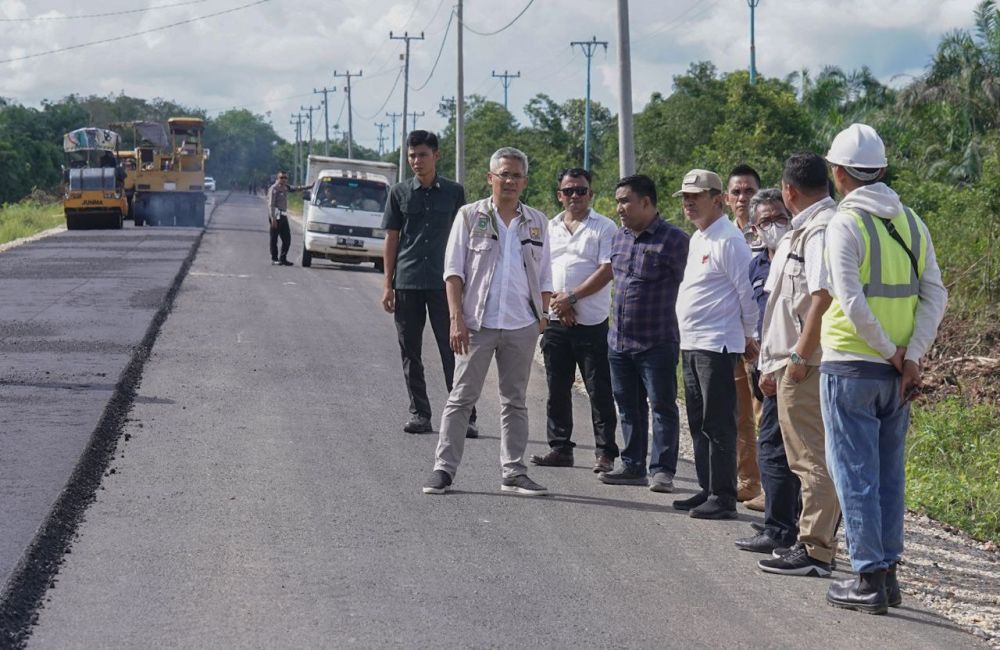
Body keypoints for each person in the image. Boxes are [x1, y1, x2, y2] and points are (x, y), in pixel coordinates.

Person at [820, 124, 946, 613]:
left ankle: (867, 578)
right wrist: (910, 355)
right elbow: (936, 293)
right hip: (896, 376)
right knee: (889, 475)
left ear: (838, 174)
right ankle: (888, 575)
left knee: (854, 474)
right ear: (882, 170)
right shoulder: (912, 222)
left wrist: (894, 352)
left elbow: (849, 299)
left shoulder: (844, 223)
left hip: (852, 366)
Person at [422, 147, 552, 497]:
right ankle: (443, 470)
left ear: (524, 181)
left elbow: (546, 275)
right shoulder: (469, 215)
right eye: (503, 174)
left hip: (520, 325)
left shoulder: (538, 221)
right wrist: (456, 320)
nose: (509, 180)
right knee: (461, 397)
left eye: (516, 175)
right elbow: (453, 272)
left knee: (515, 400)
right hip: (476, 323)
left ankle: (513, 471)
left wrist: (541, 317)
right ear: (490, 178)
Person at [753, 156, 842, 578]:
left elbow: (821, 299)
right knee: (801, 458)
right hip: (790, 361)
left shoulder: (821, 230)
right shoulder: (803, 230)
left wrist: (798, 360)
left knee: (811, 460)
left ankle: (816, 550)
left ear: (788, 190)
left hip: (806, 364)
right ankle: (811, 541)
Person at [673, 169, 757, 519]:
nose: (689, 202)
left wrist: (751, 337)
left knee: (719, 421)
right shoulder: (699, 238)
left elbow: (747, 294)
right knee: (697, 419)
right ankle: (707, 487)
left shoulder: (728, 240)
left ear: (718, 198)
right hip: (692, 343)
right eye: (685, 197)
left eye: (697, 195)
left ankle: (723, 496)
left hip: (718, 344)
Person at [381, 130, 477, 438]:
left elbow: (465, 240)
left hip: (444, 283)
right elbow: (391, 238)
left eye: (422, 154)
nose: (416, 161)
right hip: (407, 281)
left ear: (436, 155)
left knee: (454, 349)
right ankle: (419, 413)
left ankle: (465, 415)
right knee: (410, 351)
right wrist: (387, 284)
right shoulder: (398, 193)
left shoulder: (454, 193)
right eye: (411, 155)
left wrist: (466, 283)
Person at [599, 175, 689, 492]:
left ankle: (662, 470)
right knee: (628, 405)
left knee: (662, 406)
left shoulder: (675, 240)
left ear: (646, 202)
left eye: (625, 200)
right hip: (620, 341)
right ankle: (633, 466)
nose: (619, 207)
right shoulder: (619, 237)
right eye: (618, 201)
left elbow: (689, 288)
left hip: (658, 340)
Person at [529, 168, 619, 473]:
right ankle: (560, 448)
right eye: (569, 191)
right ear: (560, 195)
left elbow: (608, 269)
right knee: (556, 387)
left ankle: (605, 452)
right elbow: (539, 269)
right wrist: (559, 301)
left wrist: (573, 298)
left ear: (591, 194)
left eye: (581, 190)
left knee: (598, 389)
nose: (575, 196)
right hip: (556, 319)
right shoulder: (548, 227)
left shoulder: (604, 228)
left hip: (592, 323)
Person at [734, 189, 801, 554]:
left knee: (778, 449)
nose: (773, 225)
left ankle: (781, 529)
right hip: (764, 365)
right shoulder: (757, 263)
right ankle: (782, 519)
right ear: (755, 228)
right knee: (774, 445)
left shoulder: (797, 257)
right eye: (765, 221)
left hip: (793, 365)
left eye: (779, 217)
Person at [726, 164, 764, 505]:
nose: (742, 197)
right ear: (726, 198)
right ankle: (749, 481)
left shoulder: (768, 233)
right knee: (739, 414)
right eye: (736, 192)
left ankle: (772, 486)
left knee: (763, 412)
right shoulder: (722, 234)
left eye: (748, 191)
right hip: (730, 336)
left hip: (762, 338)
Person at [266, 171, 308, 266]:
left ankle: (283, 258)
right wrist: (273, 218)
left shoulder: (286, 187)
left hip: (283, 215)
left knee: (287, 239)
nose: (284, 179)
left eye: (285, 178)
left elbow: (296, 188)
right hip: (276, 215)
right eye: (282, 177)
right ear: (278, 178)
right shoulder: (274, 189)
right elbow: (271, 204)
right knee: (274, 238)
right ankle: (274, 258)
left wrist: (309, 186)